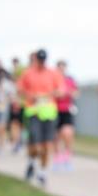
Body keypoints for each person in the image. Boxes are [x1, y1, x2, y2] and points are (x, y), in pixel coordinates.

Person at [17, 49, 65, 187]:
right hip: (33, 112)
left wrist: (50, 94)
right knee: (35, 145)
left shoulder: (53, 73)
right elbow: (20, 89)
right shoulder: (28, 73)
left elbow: (61, 91)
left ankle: (42, 173)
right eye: (40, 59)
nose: (42, 62)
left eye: (43, 60)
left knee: (46, 145)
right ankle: (31, 163)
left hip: (49, 113)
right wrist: (30, 96)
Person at [53, 59, 79, 171]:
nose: (61, 70)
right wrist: (57, 94)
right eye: (59, 68)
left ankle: (67, 158)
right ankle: (57, 158)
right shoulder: (53, 79)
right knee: (56, 136)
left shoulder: (70, 80)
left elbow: (76, 93)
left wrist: (68, 93)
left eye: (63, 68)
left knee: (68, 134)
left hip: (67, 110)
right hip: (54, 110)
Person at [7, 56, 26, 153]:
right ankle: (16, 143)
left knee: (20, 126)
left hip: (22, 105)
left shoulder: (22, 78)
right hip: (14, 105)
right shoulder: (12, 82)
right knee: (14, 125)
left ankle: (19, 142)